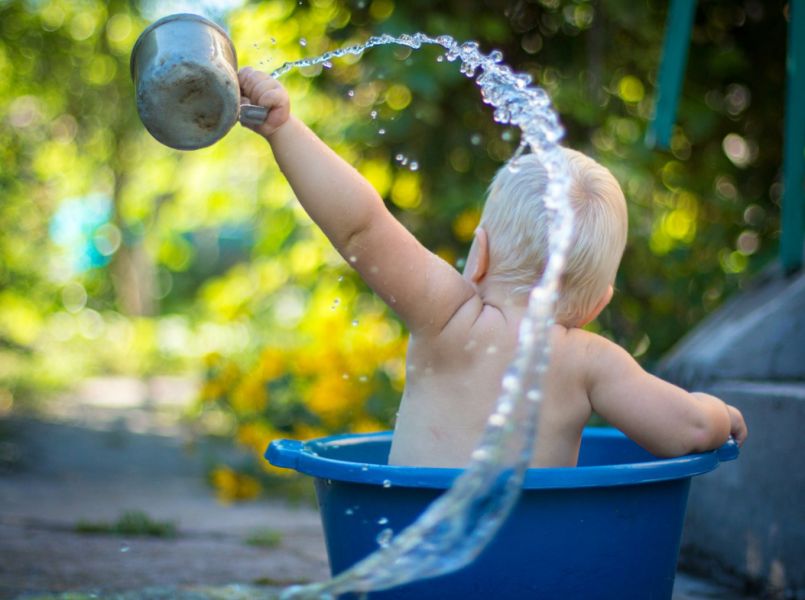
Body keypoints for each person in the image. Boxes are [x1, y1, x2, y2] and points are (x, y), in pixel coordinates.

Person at [238, 67, 748, 468]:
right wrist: (718, 413)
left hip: (416, 553)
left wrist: (284, 129)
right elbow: (688, 431)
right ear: (598, 303)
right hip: (533, 569)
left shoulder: (448, 317)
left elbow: (362, 228)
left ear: (477, 256)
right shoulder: (591, 361)